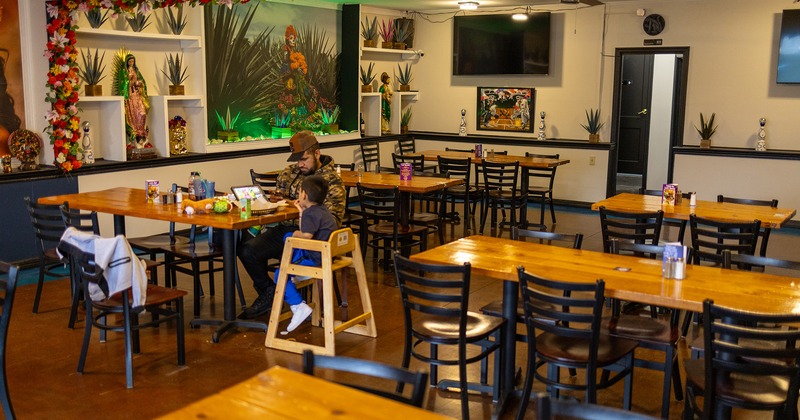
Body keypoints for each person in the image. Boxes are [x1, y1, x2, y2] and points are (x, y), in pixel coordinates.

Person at [238, 131, 345, 319]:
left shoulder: (331, 181)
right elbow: (280, 201)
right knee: (247, 249)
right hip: (283, 229)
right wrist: (275, 201)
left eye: (304, 159)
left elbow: (333, 219)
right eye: (297, 160)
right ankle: (269, 292)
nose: (300, 164)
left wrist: (303, 212)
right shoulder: (288, 173)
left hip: (312, 238)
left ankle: (285, 294)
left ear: (317, 154)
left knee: (258, 248)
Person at [272, 175, 338, 333]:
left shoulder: (311, 214)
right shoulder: (322, 211)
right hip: (327, 256)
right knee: (290, 239)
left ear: (304, 195)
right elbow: (307, 230)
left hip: (315, 258)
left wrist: (294, 234)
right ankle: (295, 276)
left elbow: (306, 235)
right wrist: (301, 212)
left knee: (279, 274)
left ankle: (298, 305)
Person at [118, 53, 150, 147]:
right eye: (130, 61)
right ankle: (136, 134)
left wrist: (138, 83)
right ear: (127, 62)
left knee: (142, 113)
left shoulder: (136, 70)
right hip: (130, 97)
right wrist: (129, 81)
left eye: (133, 61)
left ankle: (141, 131)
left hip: (137, 96)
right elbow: (123, 83)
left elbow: (142, 81)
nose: (131, 63)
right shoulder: (123, 71)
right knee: (133, 116)